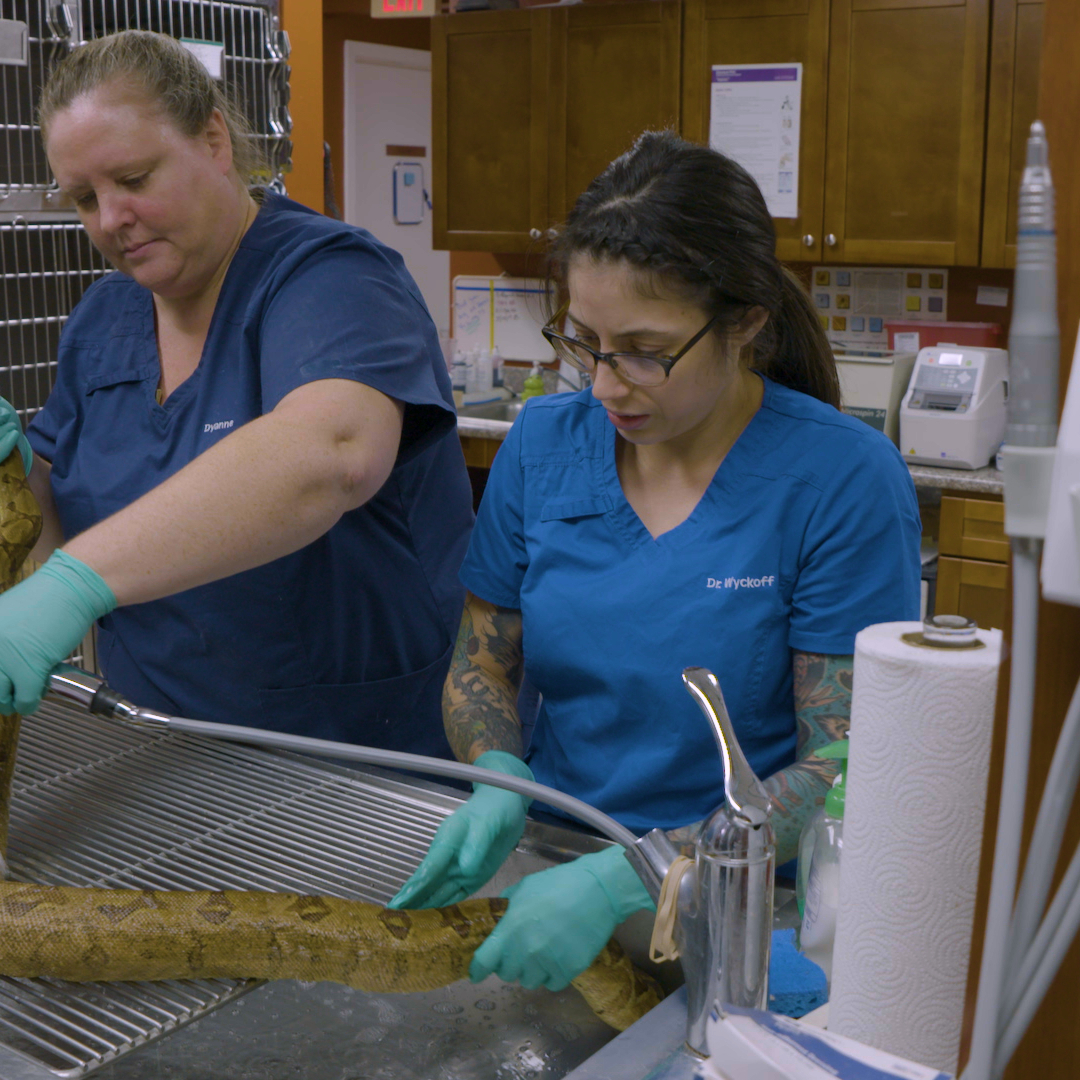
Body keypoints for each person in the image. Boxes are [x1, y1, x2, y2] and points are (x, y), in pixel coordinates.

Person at [389, 131, 922, 991]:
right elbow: (480, 663)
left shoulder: (840, 480)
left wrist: (640, 870)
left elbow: (841, 762)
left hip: (743, 907)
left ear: (745, 322)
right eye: (584, 341)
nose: (604, 385)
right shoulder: (542, 448)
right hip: (555, 874)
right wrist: (498, 775)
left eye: (645, 350)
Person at [0, 30, 473, 755]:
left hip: (357, 762)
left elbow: (330, 454)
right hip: (160, 748)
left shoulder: (334, 279)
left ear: (214, 140)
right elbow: (65, 512)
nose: (111, 218)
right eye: (85, 198)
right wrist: (20, 474)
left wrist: (75, 584)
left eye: (134, 179)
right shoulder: (104, 318)